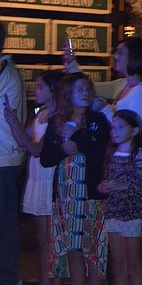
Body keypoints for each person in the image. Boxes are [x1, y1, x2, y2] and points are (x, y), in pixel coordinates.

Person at [41, 73, 111, 285]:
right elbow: (45, 159)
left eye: (87, 89)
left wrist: (75, 136)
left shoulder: (98, 121)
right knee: (73, 249)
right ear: (68, 94)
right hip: (66, 198)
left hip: (91, 195)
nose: (85, 93)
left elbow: (100, 153)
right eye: (80, 89)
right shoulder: (56, 122)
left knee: (94, 251)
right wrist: (62, 148)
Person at [3, 69, 64, 285]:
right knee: (43, 240)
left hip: (49, 180)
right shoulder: (42, 114)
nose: (35, 90)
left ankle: (51, 279)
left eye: (40, 87)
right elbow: (24, 139)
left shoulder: (57, 119)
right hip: (38, 179)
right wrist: (11, 120)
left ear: (53, 90)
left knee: (52, 239)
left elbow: (36, 149)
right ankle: (45, 279)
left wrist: (13, 122)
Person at [97, 109, 142, 285]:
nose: (114, 131)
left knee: (133, 266)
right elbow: (105, 180)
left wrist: (125, 186)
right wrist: (103, 186)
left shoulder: (141, 155)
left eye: (120, 127)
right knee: (118, 266)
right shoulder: (111, 154)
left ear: (134, 131)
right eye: (113, 127)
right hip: (113, 214)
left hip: (134, 216)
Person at [64, 37, 142, 128]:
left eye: (120, 53)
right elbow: (90, 87)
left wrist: (105, 109)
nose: (114, 56)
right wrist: (72, 63)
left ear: (134, 57)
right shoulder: (123, 84)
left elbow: (132, 131)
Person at [0, 22, 27, 285]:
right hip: (6, 158)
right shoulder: (8, 70)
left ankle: (8, 278)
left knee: (4, 226)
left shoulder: (4, 71)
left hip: (4, 159)